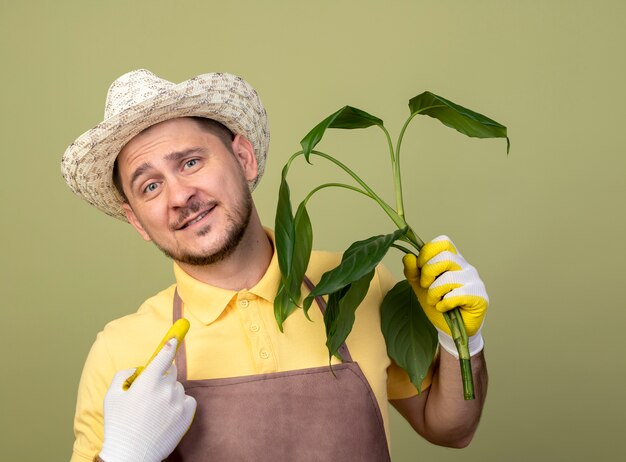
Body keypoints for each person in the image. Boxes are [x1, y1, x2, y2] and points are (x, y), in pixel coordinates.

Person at [62, 69, 489, 462]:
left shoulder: (358, 284)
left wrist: (462, 343)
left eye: (190, 162)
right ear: (137, 219)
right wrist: (125, 456)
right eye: (150, 186)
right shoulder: (118, 350)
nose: (178, 196)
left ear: (244, 158)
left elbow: (451, 429)